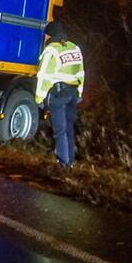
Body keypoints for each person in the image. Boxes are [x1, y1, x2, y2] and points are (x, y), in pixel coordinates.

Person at [35, 21, 85, 168]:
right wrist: (80, 93)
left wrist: (39, 98)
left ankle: (63, 163)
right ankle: (70, 161)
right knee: (69, 128)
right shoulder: (74, 47)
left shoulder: (51, 50)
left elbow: (44, 76)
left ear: (49, 35)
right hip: (73, 93)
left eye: (46, 35)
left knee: (60, 130)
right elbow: (81, 72)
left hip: (59, 94)